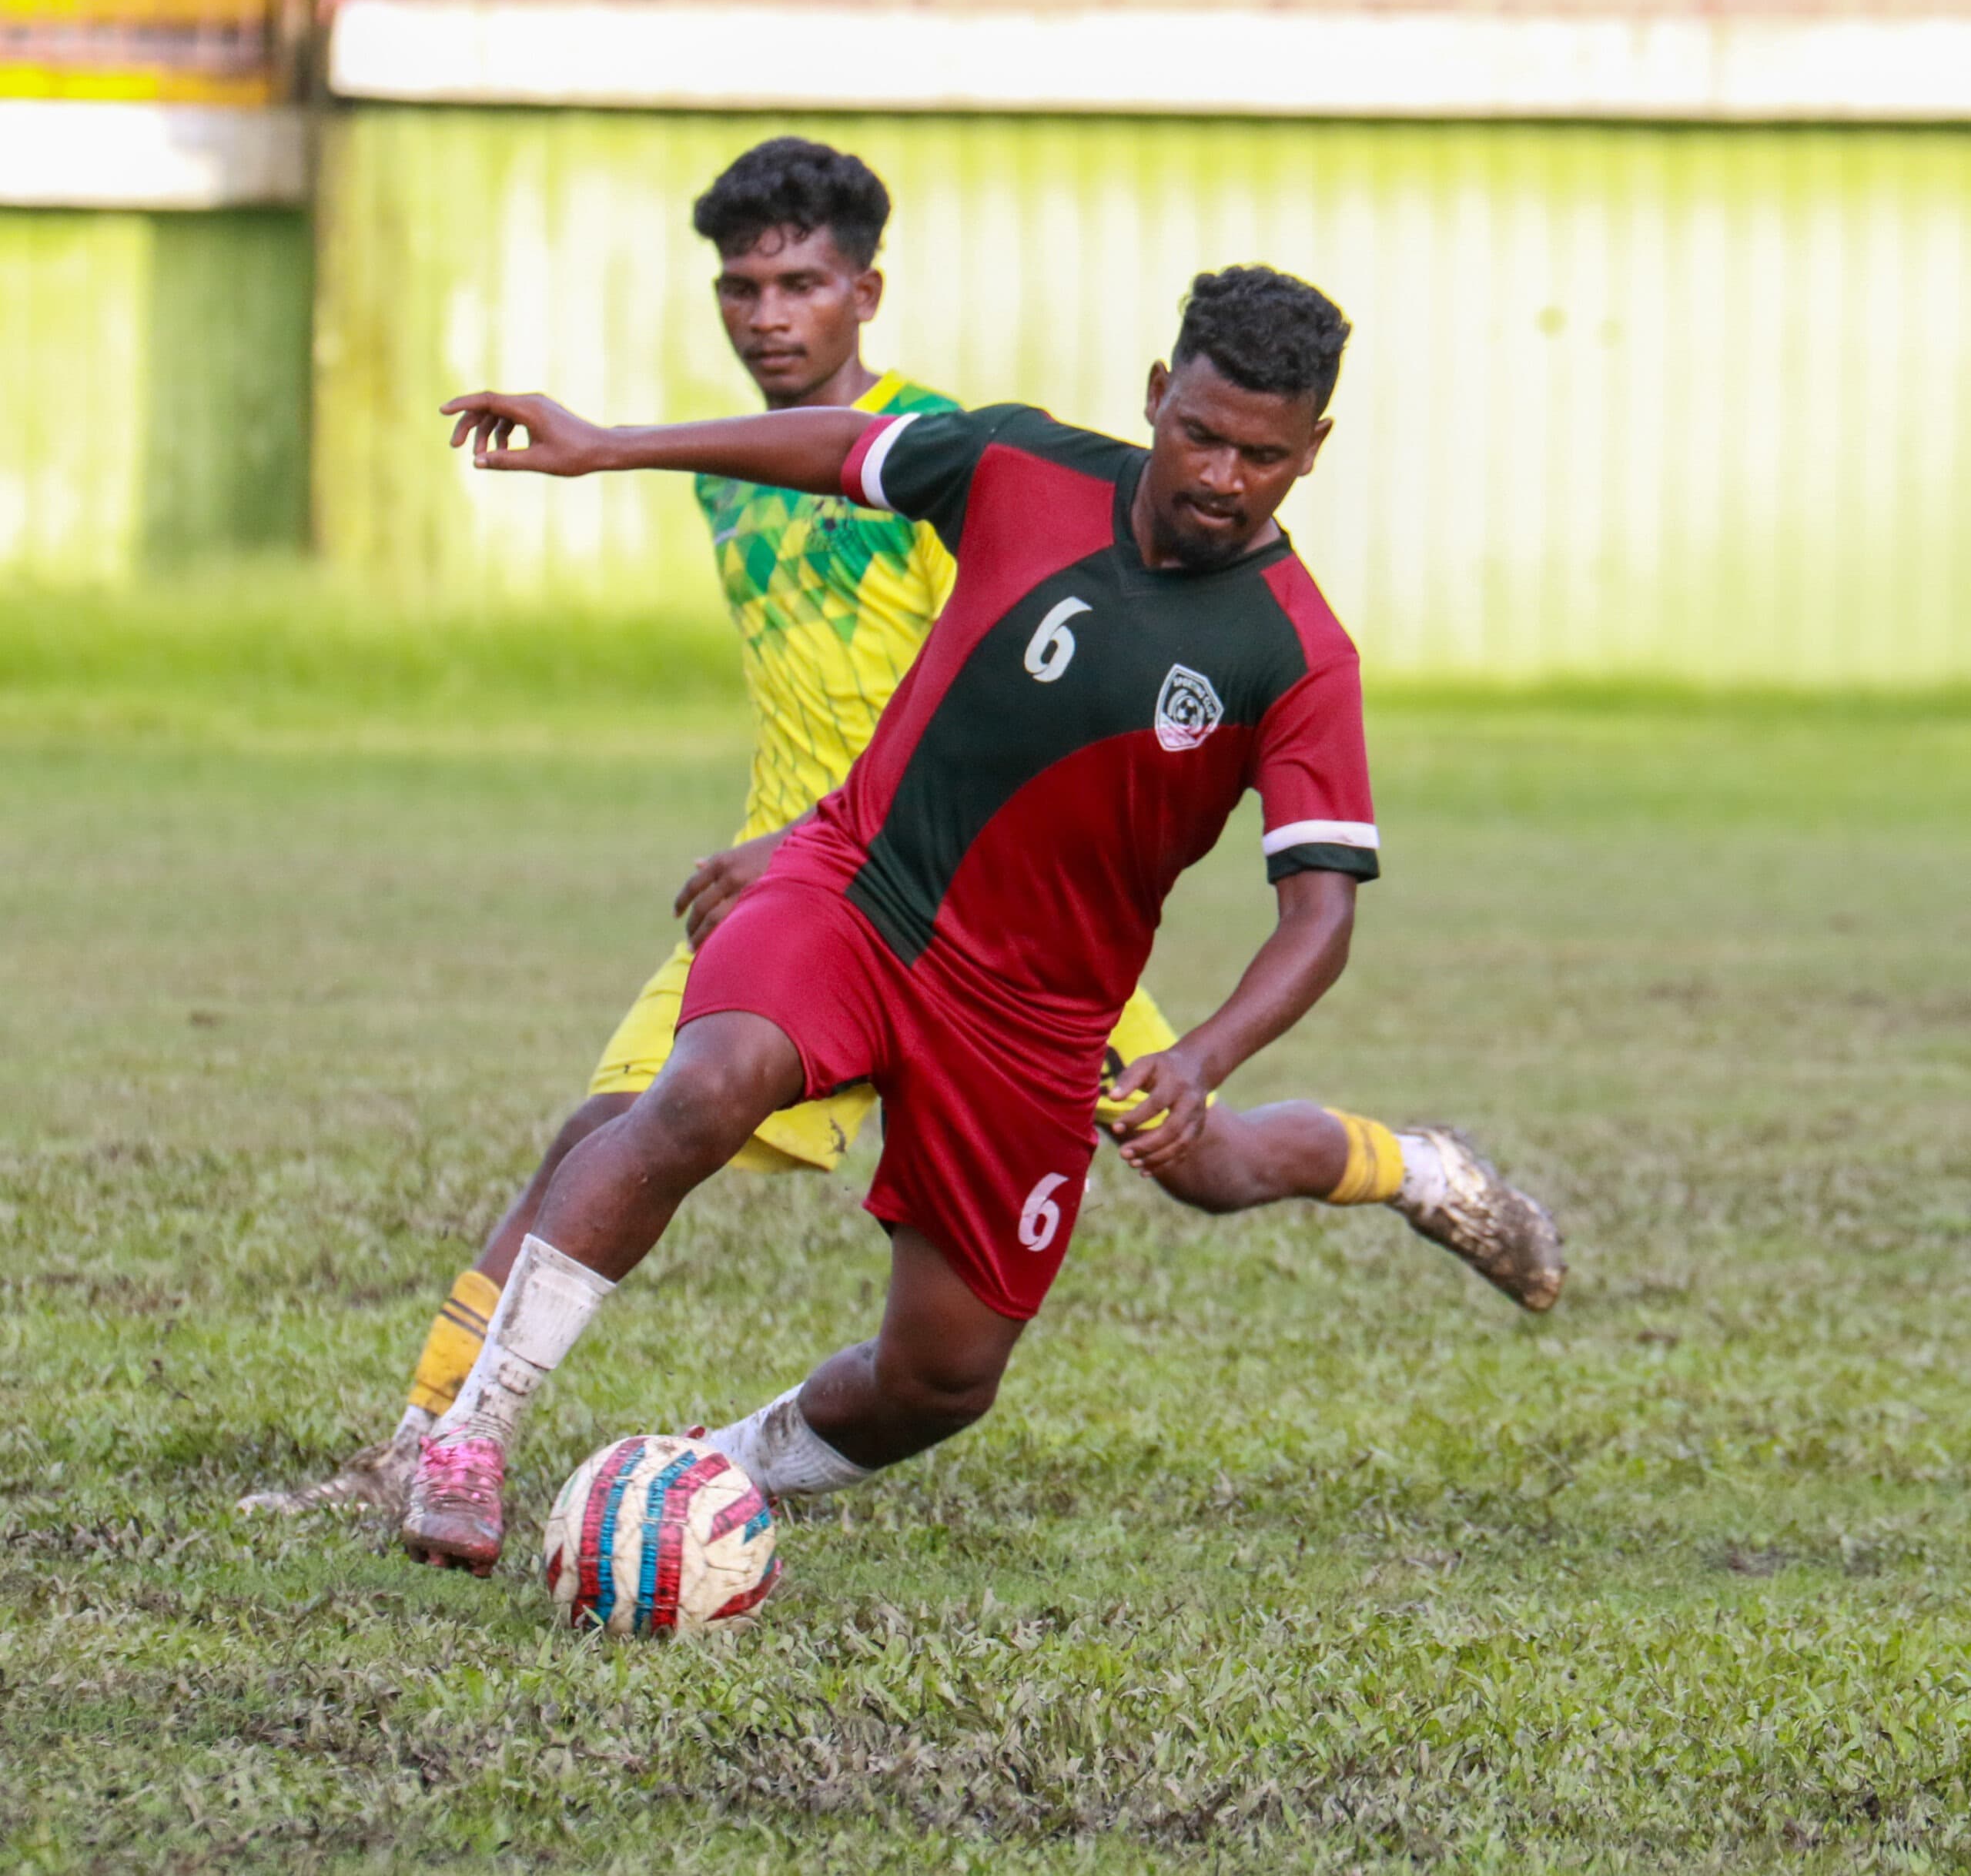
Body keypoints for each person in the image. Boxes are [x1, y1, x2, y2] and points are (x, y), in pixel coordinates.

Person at [397, 261, 1558, 1575]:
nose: (1224, 478)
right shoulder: (1022, 467)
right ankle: (467, 1438)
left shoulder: (1295, 654)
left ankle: (711, 1478)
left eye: (1265, 456)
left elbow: (1320, 918)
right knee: (707, 1086)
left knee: (949, 1374)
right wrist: (613, 447)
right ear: (1156, 393)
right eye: (1200, 434)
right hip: (861, 892)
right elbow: (852, 451)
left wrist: (1202, 1056)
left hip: (1036, 1019)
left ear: (1315, 451)